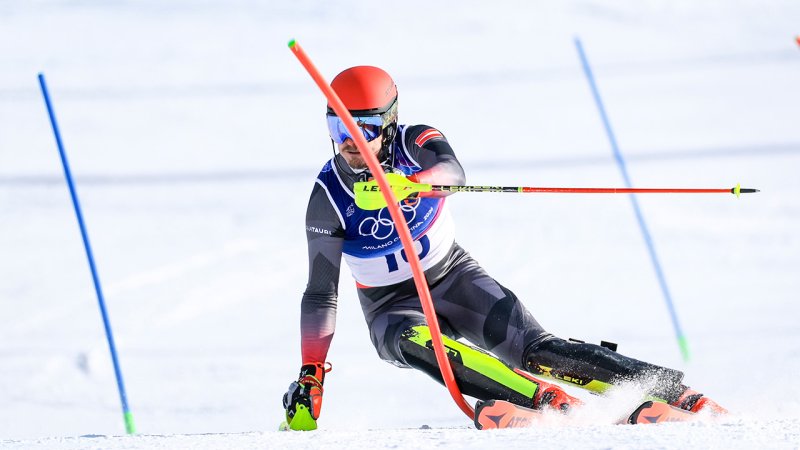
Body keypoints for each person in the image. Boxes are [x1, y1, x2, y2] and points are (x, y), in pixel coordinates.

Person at [281, 65, 725, 431]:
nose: (350, 143)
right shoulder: (327, 198)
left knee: (537, 350)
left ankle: (672, 393)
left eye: (365, 128)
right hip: (391, 307)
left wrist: (413, 185)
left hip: (454, 277)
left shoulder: (416, 142)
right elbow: (321, 292)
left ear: (390, 124)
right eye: (338, 126)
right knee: (421, 344)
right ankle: (550, 402)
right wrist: (312, 372)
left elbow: (453, 172)